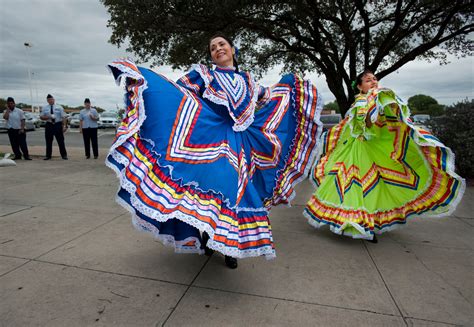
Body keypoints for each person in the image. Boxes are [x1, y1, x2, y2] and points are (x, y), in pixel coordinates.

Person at [106, 34, 323, 268]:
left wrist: (289, 86)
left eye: (222, 45)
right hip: (210, 140)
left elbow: (268, 98)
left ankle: (227, 247)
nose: (218, 49)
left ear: (233, 50)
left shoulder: (248, 80)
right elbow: (177, 93)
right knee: (216, 191)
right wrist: (145, 80)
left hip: (242, 145)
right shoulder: (203, 75)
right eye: (212, 48)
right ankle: (212, 238)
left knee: (234, 194)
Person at [304, 70, 465, 242]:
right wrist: (372, 109)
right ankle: (359, 225)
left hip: (373, 149)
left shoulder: (376, 99)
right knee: (357, 187)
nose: (373, 82)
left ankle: (366, 223)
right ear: (359, 86)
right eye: (367, 80)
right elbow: (363, 126)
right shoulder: (360, 102)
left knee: (376, 188)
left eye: (374, 79)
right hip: (358, 151)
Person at [40, 94, 68, 160]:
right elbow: (41, 117)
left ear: (54, 99)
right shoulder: (45, 108)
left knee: (60, 141)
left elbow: (64, 117)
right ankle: (48, 155)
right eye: (49, 100)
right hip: (49, 124)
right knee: (48, 141)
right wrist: (48, 117)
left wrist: (64, 126)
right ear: (47, 101)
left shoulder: (59, 107)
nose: (50, 101)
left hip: (57, 124)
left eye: (51, 99)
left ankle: (64, 155)